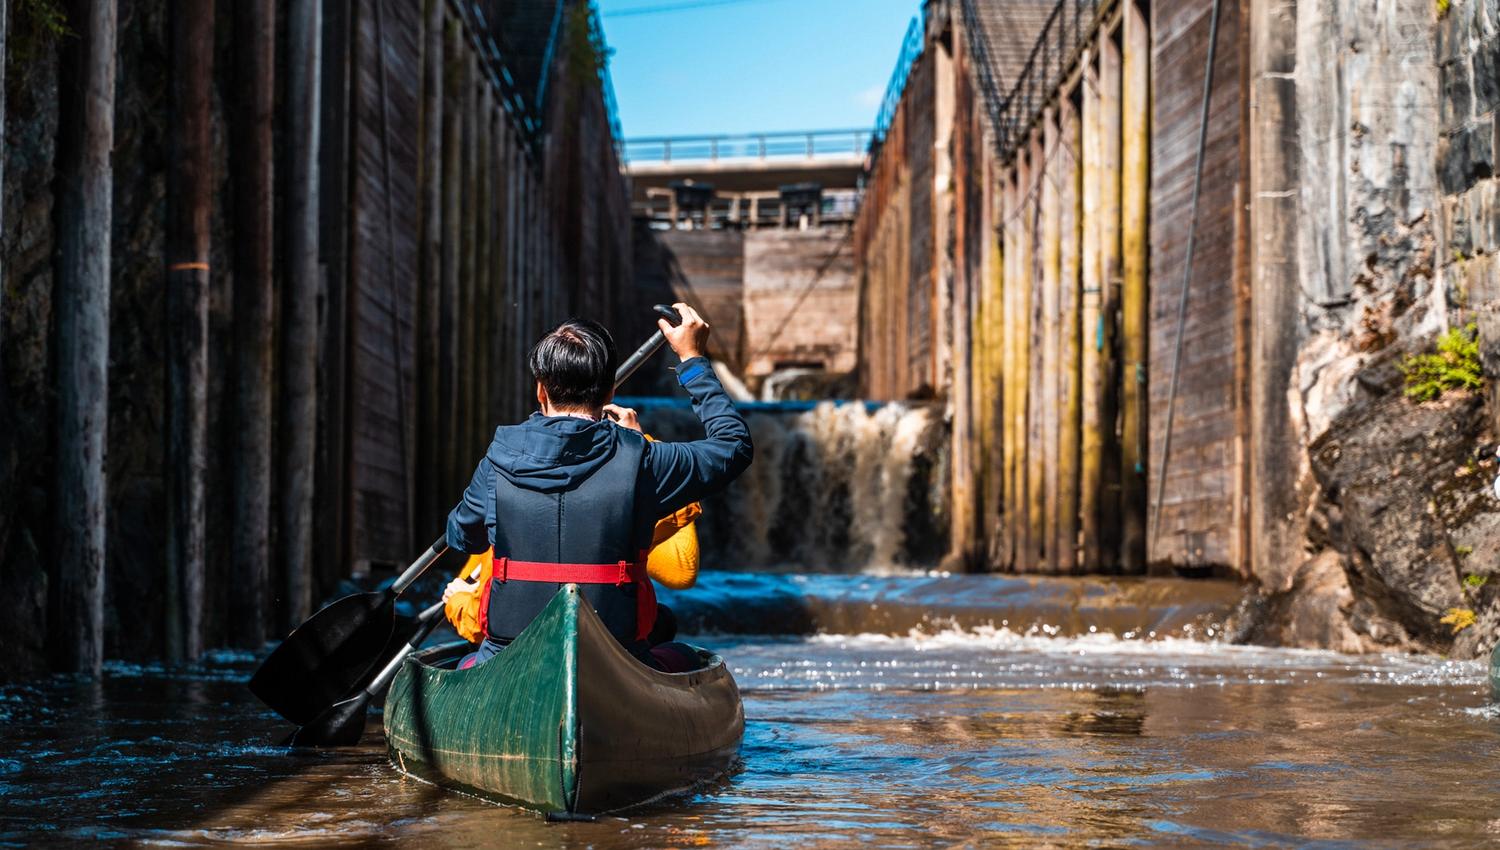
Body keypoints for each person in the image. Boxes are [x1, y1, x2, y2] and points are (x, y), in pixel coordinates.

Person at [442, 305, 752, 671]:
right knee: (685, 656)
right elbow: (734, 445)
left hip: (510, 657)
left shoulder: (498, 458)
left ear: (541, 391)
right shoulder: (646, 460)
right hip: (616, 659)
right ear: (610, 392)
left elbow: (463, 538)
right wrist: (691, 360)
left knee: (461, 663)